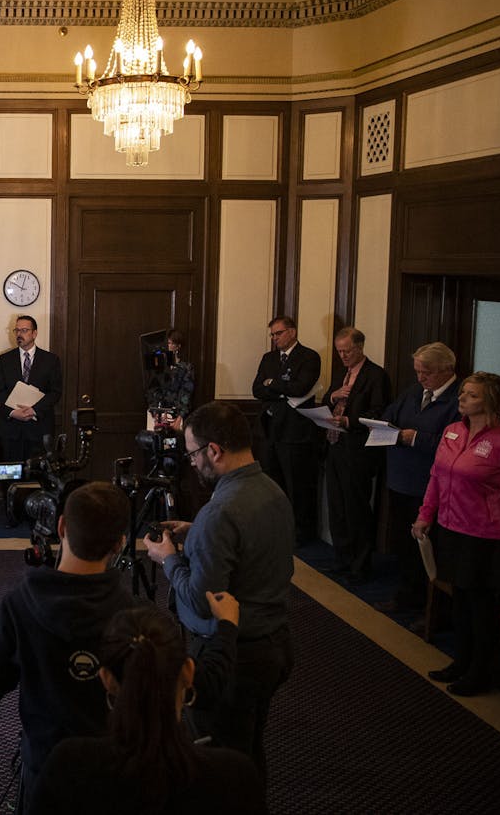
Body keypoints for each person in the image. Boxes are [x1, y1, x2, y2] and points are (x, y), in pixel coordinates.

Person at [0, 482, 134, 810]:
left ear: (61, 527)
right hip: (117, 778)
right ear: (121, 543)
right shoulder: (138, 616)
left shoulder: (19, 606)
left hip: (44, 774)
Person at [145, 400, 294, 780]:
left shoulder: (220, 512)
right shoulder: (273, 491)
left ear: (215, 451)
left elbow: (201, 599)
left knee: (216, 766)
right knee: (247, 753)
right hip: (274, 645)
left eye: (194, 453)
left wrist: (168, 559)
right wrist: (197, 532)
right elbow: (249, 544)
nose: (192, 462)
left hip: (231, 657)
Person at [30, 603, 266, 815]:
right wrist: (226, 628)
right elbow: (214, 677)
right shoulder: (235, 777)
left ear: (106, 679)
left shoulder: (67, 766)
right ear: (188, 672)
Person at [412, 371, 500, 697]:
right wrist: (425, 515)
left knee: (481, 606)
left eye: (471, 395)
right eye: (462, 393)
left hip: (486, 537)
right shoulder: (452, 431)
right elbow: (437, 478)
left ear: (491, 402)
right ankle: (461, 660)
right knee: (458, 600)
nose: (462, 399)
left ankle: (482, 671)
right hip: (450, 529)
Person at [377, 342, 459, 612]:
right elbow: (389, 417)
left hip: (430, 486)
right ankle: (406, 595)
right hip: (400, 479)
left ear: (447, 370)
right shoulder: (414, 391)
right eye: (418, 371)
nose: (421, 378)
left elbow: (455, 446)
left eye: (427, 372)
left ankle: (431, 608)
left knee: (430, 551)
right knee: (404, 545)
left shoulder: (460, 399)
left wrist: (418, 438)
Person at [320, 327, 391, 583]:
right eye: (339, 351)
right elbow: (329, 400)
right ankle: (342, 560)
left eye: (347, 351)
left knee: (356, 510)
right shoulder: (341, 373)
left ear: (360, 347)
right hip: (334, 446)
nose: (343, 356)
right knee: (337, 508)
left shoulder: (376, 375)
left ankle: (360, 567)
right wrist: (332, 395)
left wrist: (350, 421)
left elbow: (379, 412)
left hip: (357, 450)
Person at [251, 314, 322, 544]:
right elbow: (256, 389)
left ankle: (301, 534)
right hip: (270, 428)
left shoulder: (309, 357)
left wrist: (272, 384)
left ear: (292, 332)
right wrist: (282, 389)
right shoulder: (269, 358)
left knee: (297, 485)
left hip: (296, 432)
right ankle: (277, 529)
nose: (275, 338)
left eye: (278, 333)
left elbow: (301, 388)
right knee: (273, 483)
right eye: (272, 334)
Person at [0, 315, 63, 462]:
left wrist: (34, 409)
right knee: (10, 476)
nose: (19, 334)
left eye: (24, 330)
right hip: (10, 430)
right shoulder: (4, 360)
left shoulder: (51, 360)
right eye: (17, 330)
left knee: (38, 477)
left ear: (34, 333)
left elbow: (55, 392)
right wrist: (13, 412)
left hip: (39, 428)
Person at [146, 328, 195, 427]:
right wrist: (155, 412)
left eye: (172, 343)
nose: (169, 346)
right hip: (157, 412)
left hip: (175, 413)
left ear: (178, 346)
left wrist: (180, 416)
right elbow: (152, 389)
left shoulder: (186, 368)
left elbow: (186, 393)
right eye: (168, 343)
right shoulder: (160, 367)